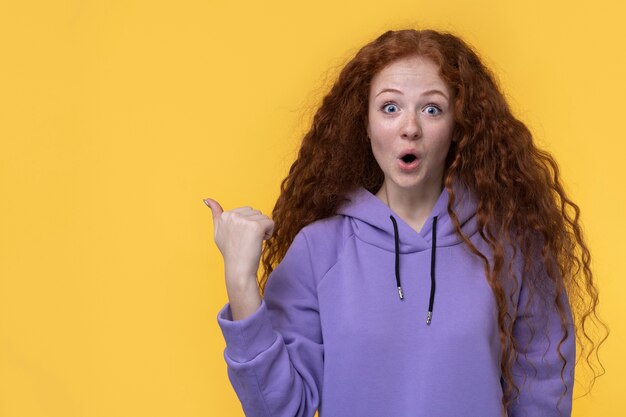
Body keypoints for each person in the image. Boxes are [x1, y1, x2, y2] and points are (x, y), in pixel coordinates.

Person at [203, 28, 606, 417]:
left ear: (458, 126)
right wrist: (240, 282)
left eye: (432, 109)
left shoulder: (513, 247)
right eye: (390, 107)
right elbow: (277, 410)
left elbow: (542, 397)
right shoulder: (318, 250)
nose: (409, 127)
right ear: (365, 123)